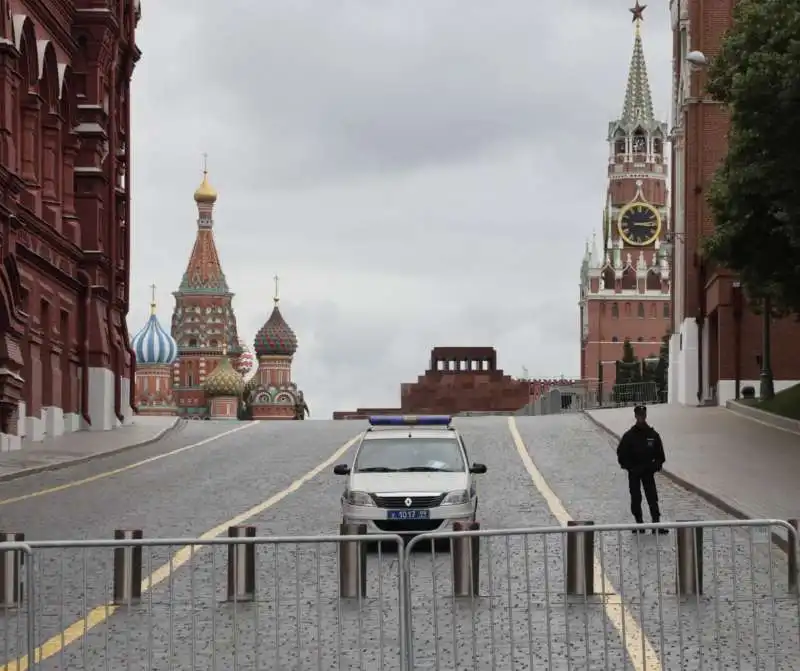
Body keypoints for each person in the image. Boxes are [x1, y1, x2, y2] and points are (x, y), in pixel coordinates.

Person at [616, 405, 668, 534]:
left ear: (645, 416)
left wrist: (654, 467)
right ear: (635, 416)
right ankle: (639, 524)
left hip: (648, 472)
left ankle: (656, 524)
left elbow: (660, 456)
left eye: (643, 415)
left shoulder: (652, 435)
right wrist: (629, 467)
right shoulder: (629, 436)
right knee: (635, 497)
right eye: (639, 415)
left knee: (652, 498)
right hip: (634, 472)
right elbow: (621, 453)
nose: (641, 418)